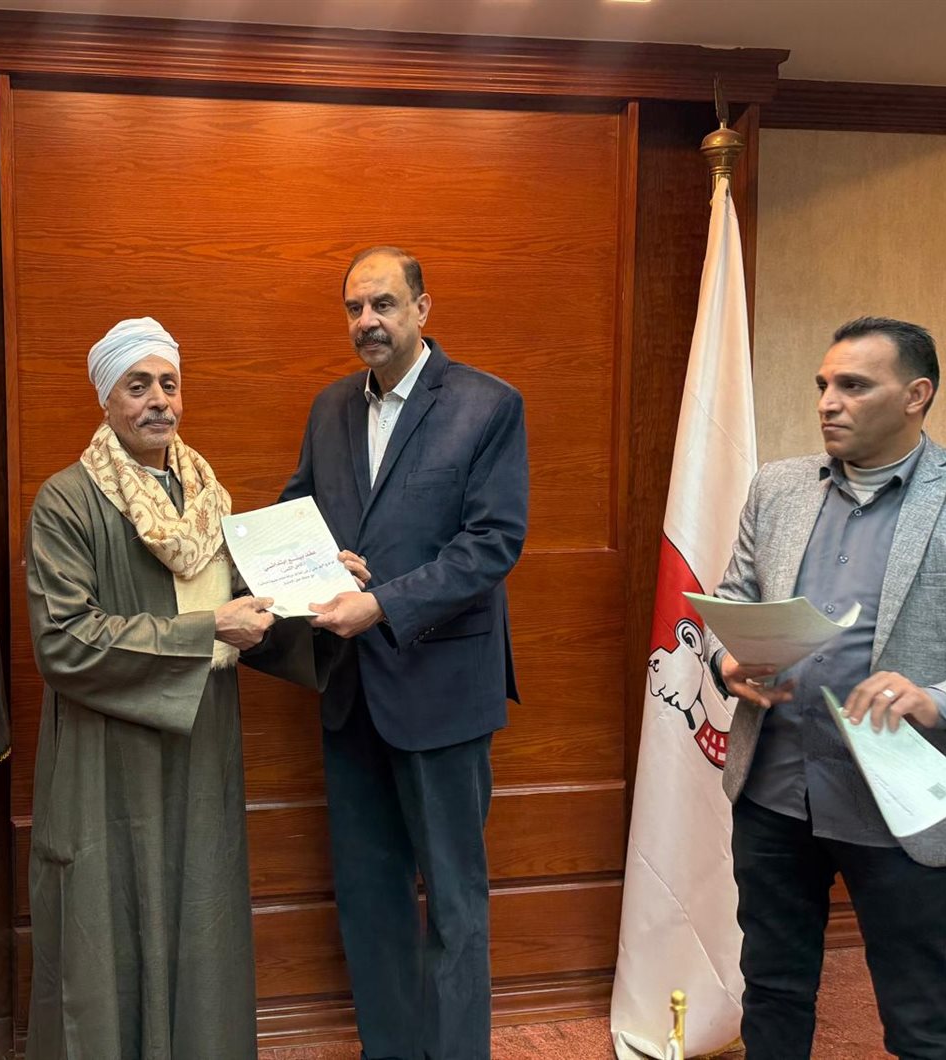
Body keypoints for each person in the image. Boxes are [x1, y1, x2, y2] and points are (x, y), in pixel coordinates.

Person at [24, 318, 361, 1059]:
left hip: (203, 739)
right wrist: (207, 629)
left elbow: (249, 612)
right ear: (106, 398)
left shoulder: (209, 500)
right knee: (105, 926)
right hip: (106, 755)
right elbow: (65, 640)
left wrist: (319, 585)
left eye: (169, 384)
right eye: (137, 385)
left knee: (201, 919)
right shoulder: (66, 502)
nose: (159, 400)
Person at [280, 247, 529, 1060]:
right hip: (349, 690)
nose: (367, 322)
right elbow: (299, 510)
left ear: (422, 307)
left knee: (454, 903)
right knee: (370, 899)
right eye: (354, 308)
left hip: (442, 690)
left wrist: (382, 602)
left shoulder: (488, 405)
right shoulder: (329, 408)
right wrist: (318, 563)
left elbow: (493, 543)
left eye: (384, 304)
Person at [709, 317, 946, 1060]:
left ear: (916, 395)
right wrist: (727, 661)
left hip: (901, 804)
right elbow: (733, 600)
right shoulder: (778, 487)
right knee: (772, 990)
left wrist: (938, 699)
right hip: (776, 788)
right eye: (823, 384)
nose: (828, 401)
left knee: (923, 1023)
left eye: (854, 386)